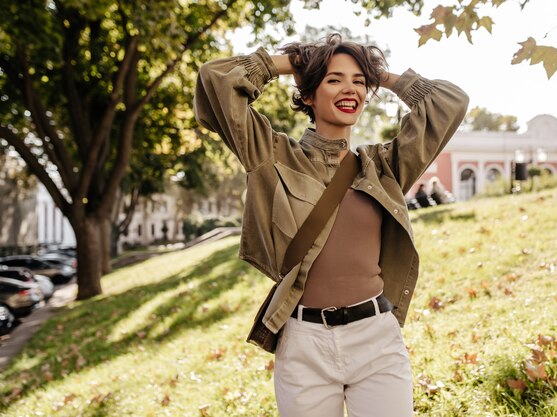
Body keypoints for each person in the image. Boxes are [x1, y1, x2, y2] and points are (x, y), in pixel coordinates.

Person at [194, 33, 468, 417]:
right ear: (308, 95)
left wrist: (382, 76)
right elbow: (214, 79)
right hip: (303, 343)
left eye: (359, 82)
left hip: (376, 338)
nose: (350, 89)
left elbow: (450, 103)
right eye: (334, 79)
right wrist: (290, 62)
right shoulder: (271, 155)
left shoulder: (384, 165)